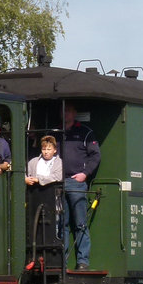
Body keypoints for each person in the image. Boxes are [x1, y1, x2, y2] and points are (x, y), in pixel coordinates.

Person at [62, 102, 100, 271]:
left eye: (69, 110)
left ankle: (83, 261)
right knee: (61, 224)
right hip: (58, 182)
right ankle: (62, 261)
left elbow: (95, 156)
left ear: (74, 113)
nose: (65, 113)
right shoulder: (55, 133)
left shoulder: (85, 132)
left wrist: (85, 174)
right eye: (63, 111)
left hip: (76, 182)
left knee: (80, 223)